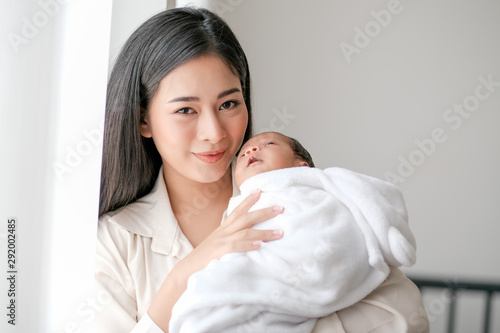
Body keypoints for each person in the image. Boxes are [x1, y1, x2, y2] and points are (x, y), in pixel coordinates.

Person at [94, 7, 429, 333]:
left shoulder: (302, 197)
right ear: (143, 119)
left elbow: (407, 314)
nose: (214, 132)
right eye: (185, 110)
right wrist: (183, 276)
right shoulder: (117, 240)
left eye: (228, 104)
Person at [169, 131, 419, 332]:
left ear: (302, 164)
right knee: (207, 297)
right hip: (259, 266)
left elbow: (369, 196)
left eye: (269, 143)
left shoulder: (321, 183)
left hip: (310, 256)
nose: (251, 150)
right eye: (244, 152)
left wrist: (389, 237)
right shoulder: (238, 205)